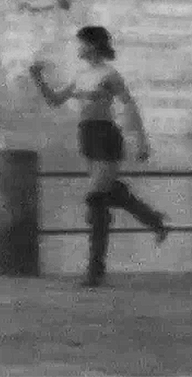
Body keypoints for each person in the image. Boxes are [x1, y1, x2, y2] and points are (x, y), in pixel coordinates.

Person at [29, 25, 169, 288]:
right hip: (87, 137)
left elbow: (129, 105)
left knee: (95, 199)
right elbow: (55, 101)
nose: (78, 47)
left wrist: (141, 140)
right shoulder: (81, 76)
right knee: (106, 193)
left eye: (82, 43)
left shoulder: (110, 75)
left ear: (93, 45)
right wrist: (38, 79)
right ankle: (154, 220)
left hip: (106, 137)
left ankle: (95, 270)